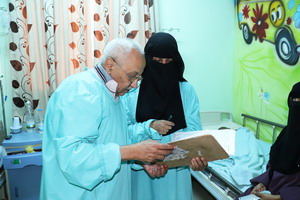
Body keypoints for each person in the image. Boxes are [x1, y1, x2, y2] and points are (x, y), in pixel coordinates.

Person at [40, 38, 175, 200]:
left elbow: (113, 140)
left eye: (138, 78)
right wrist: (132, 152)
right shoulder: (80, 91)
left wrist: (140, 160)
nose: (134, 85)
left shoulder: (113, 94)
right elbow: (74, 159)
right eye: (132, 77)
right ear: (110, 65)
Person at [121, 32, 208, 200]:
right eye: (157, 62)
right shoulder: (132, 90)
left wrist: (197, 157)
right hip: (141, 170)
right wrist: (150, 126)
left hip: (175, 173)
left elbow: (194, 132)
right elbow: (122, 132)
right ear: (147, 60)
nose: (163, 67)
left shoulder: (186, 91)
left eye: (168, 62)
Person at [238, 82, 300, 200]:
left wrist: (278, 198)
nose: (296, 104)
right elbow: (273, 167)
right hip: (270, 189)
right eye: (294, 99)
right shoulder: (287, 134)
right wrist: (262, 183)